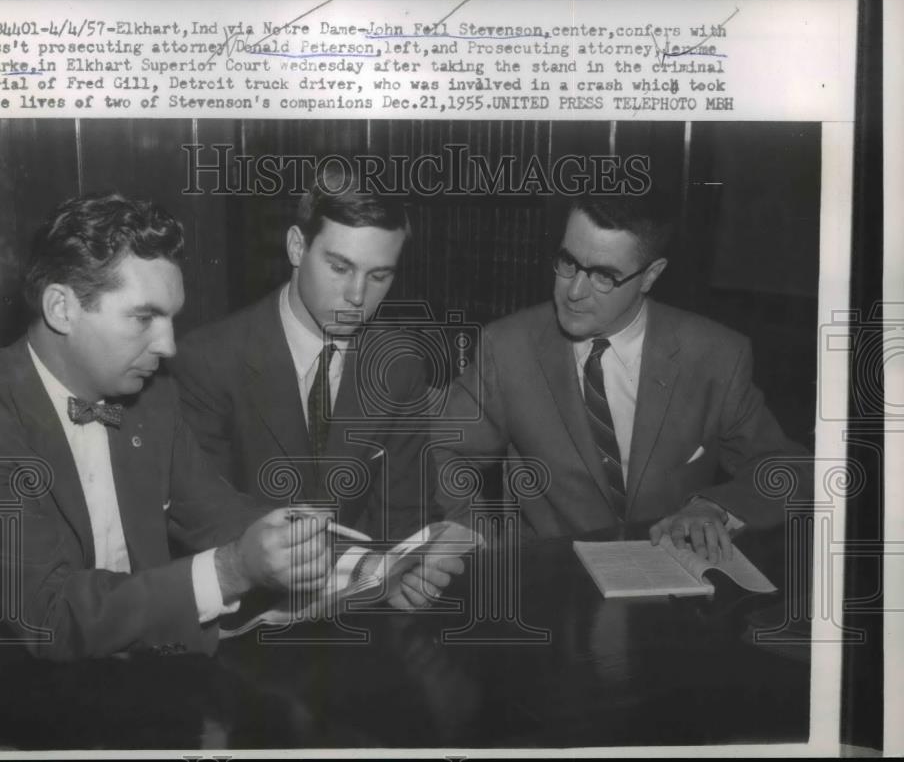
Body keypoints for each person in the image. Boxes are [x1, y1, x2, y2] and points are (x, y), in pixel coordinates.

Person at [0, 193, 332, 662]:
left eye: (170, 320)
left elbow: (212, 510)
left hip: (139, 670)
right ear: (62, 308)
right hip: (7, 694)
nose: (168, 347)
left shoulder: (152, 397)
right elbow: (50, 617)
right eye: (144, 318)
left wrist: (312, 545)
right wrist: (229, 571)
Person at [434, 193, 811, 563]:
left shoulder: (715, 356)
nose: (575, 291)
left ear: (650, 275)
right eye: (568, 261)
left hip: (672, 585)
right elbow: (441, 449)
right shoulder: (507, 347)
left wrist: (713, 507)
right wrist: (473, 538)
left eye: (603, 276)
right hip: (550, 586)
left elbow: (788, 467)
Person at [172, 162, 462, 607]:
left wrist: (409, 569)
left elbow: (406, 514)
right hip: (246, 617)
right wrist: (365, 568)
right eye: (340, 267)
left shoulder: (399, 365)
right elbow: (202, 519)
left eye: (379, 275)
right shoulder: (208, 361)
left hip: (362, 612)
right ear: (295, 246)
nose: (357, 297)